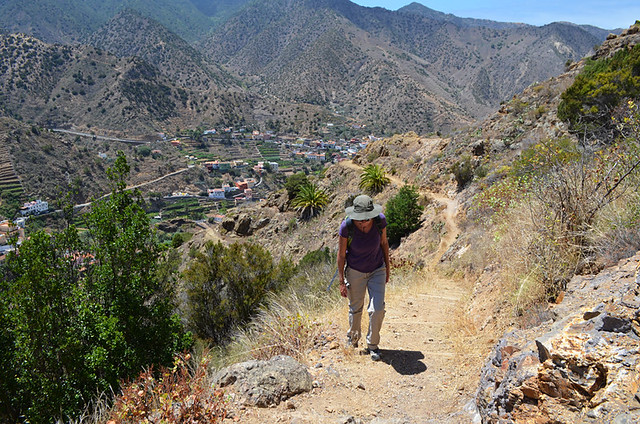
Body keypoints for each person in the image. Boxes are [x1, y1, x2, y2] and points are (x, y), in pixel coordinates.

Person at [337, 194, 390, 361]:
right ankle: (352, 340)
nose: (363, 222)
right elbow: (341, 255)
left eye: (366, 219)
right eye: (360, 219)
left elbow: (384, 244)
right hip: (355, 271)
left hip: (377, 269)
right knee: (355, 308)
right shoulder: (347, 227)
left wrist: (388, 268)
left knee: (377, 309)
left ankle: (373, 345)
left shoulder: (380, 222)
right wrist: (341, 281)